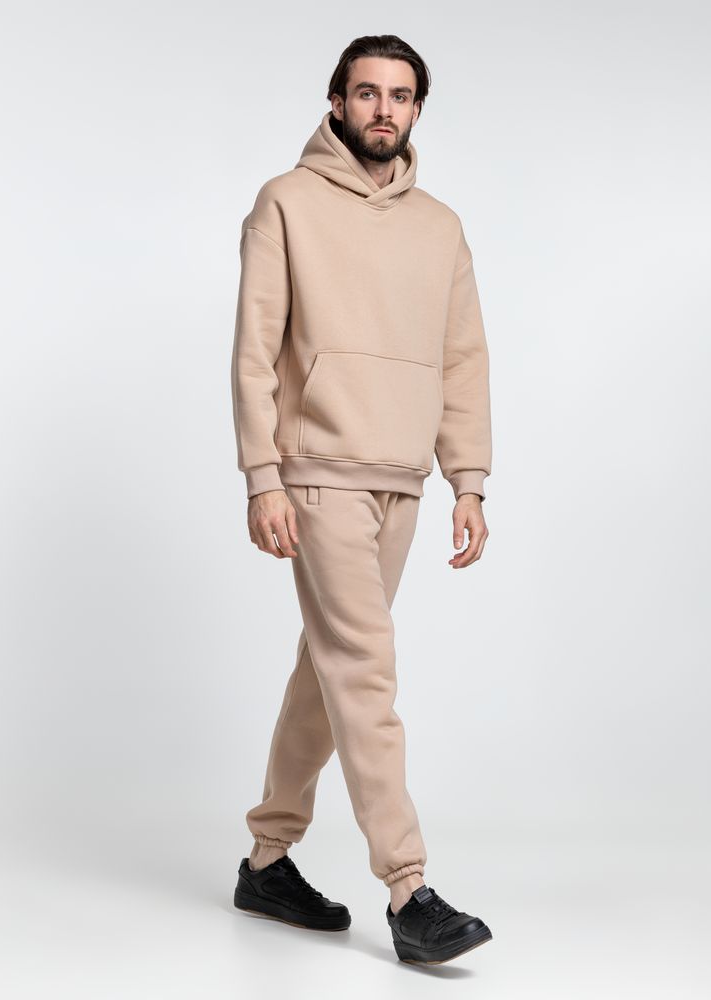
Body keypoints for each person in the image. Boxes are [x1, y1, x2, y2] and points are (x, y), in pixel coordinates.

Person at [230, 33, 493, 965]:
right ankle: (408, 890)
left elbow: (462, 358)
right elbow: (255, 352)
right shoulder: (286, 203)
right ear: (337, 102)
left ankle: (267, 860)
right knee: (366, 670)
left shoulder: (441, 226)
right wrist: (263, 477)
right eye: (368, 93)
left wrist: (468, 479)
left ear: (417, 109)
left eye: (401, 95)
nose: (385, 109)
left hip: (402, 481)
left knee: (330, 667)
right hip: (317, 476)